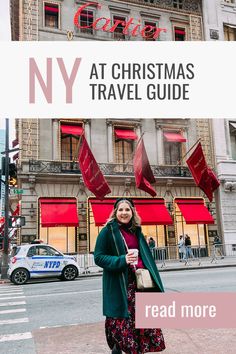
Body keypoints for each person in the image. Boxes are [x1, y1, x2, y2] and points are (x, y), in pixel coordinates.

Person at [94, 198, 165, 354]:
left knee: (139, 324)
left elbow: (145, 255)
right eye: (120, 210)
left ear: (132, 212)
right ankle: (118, 349)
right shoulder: (108, 231)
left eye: (127, 210)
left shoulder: (136, 230)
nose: (124, 213)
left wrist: (146, 268)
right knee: (121, 324)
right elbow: (98, 257)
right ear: (115, 212)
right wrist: (122, 259)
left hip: (139, 283)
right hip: (119, 285)